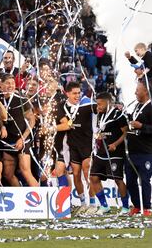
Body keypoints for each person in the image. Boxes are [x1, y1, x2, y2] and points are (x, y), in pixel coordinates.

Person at [85, 92, 129, 215]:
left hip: (115, 153)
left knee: (118, 179)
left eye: (100, 104)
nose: (97, 106)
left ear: (108, 102)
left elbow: (125, 133)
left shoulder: (118, 114)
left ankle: (125, 207)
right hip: (100, 152)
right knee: (93, 177)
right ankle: (104, 206)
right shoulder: (99, 115)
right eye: (96, 103)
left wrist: (115, 144)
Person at [56, 81, 96, 215]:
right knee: (76, 175)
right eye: (74, 93)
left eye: (79, 92)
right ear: (67, 93)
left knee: (87, 173)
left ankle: (93, 203)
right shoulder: (62, 106)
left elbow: (99, 108)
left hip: (87, 144)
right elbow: (65, 124)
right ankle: (83, 203)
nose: (77, 95)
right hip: (72, 145)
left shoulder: (86, 103)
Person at [0, 74, 36, 186]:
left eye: (13, 83)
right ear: (1, 85)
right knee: (7, 174)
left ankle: (40, 200)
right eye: (8, 83)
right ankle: (20, 197)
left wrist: (22, 139)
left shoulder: (21, 99)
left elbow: (32, 120)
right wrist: (2, 126)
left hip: (21, 140)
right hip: (7, 142)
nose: (11, 85)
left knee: (26, 171)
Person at [126, 79, 152, 216]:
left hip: (145, 151)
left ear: (145, 91)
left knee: (144, 180)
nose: (135, 92)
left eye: (138, 90)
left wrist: (141, 126)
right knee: (130, 181)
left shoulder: (150, 107)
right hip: (132, 151)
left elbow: (146, 127)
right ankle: (137, 205)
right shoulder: (136, 106)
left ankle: (147, 207)